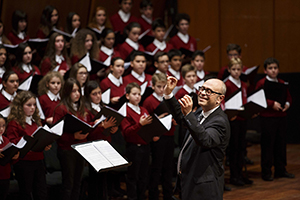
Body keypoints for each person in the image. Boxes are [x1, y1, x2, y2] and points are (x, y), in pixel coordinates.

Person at [163, 76, 230, 200]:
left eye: (209, 91)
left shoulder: (219, 121)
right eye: (202, 89)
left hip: (204, 187)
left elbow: (205, 140)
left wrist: (189, 114)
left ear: (219, 99)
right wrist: (168, 94)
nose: (203, 93)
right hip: (191, 180)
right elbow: (184, 120)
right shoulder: (201, 112)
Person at [52, 78, 95, 200]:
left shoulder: (82, 107)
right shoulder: (61, 109)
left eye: (78, 90)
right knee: (68, 184)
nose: (77, 94)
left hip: (81, 148)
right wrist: (73, 136)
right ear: (67, 92)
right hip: (67, 150)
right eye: (73, 91)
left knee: (78, 183)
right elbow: (56, 133)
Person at [6, 91, 51, 200]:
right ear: (20, 107)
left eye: (34, 105)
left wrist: (45, 144)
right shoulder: (14, 123)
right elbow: (12, 141)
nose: (32, 108)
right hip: (24, 162)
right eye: (29, 105)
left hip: (38, 160)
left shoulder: (36, 121)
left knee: (41, 192)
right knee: (26, 193)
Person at [255, 57, 294, 181]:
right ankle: (266, 172)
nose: (273, 71)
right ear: (265, 70)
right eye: (270, 68)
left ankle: (280, 169)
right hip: (268, 118)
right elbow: (258, 99)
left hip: (281, 117)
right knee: (268, 145)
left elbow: (288, 97)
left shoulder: (282, 82)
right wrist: (272, 104)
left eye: (275, 68)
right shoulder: (261, 83)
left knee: (280, 144)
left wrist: (287, 104)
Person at [142, 73, 175, 200]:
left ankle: (168, 194)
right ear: (152, 86)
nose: (162, 89)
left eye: (164, 86)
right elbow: (146, 121)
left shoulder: (168, 98)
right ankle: (153, 195)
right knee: (156, 167)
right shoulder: (149, 101)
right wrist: (158, 119)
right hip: (157, 138)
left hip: (169, 135)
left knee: (168, 167)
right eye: (159, 86)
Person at [84, 80, 118, 200]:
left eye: (99, 93)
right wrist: (101, 126)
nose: (98, 96)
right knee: (95, 179)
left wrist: (113, 128)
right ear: (88, 96)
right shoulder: (86, 111)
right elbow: (87, 132)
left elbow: (109, 126)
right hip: (93, 147)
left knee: (104, 179)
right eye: (94, 94)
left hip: (105, 145)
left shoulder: (104, 108)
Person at [120, 82, 153, 200]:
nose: (138, 96)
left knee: (143, 177)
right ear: (127, 96)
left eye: (139, 94)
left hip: (145, 146)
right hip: (133, 147)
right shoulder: (125, 110)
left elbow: (149, 127)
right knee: (132, 177)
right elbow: (126, 132)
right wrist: (139, 124)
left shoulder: (143, 109)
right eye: (134, 94)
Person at [224, 58, 252, 186]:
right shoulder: (227, 84)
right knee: (234, 148)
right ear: (229, 70)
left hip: (242, 119)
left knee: (241, 147)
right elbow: (223, 103)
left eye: (238, 69)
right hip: (233, 120)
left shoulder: (243, 84)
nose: (236, 72)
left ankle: (240, 174)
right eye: (233, 69)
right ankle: (234, 176)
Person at [0, 114, 19, 200]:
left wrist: (14, 156)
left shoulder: (6, 140)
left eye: (3, 126)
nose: (1, 129)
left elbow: (10, 160)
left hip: (5, 176)